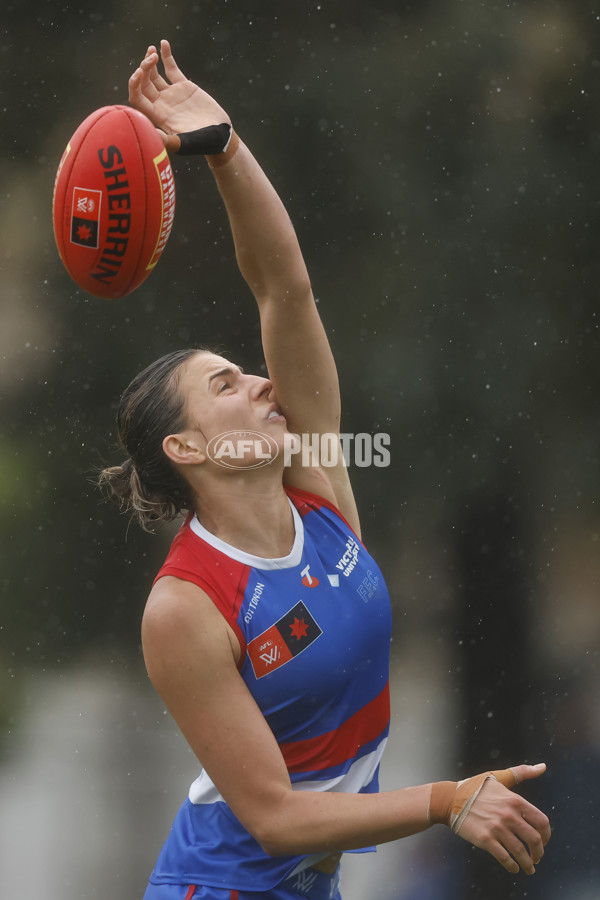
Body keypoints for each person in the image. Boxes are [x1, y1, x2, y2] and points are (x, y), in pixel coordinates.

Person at [100, 40, 551, 900]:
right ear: (187, 450)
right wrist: (449, 799)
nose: (265, 381)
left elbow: (285, 290)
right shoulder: (185, 605)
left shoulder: (318, 490)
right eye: (227, 385)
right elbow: (273, 817)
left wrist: (225, 149)